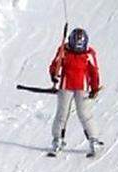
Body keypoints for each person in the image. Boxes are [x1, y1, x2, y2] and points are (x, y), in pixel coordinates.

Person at [48, 27, 104, 157]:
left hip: (82, 88)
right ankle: (57, 140)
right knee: (62, 114)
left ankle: (93, 140)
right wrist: (53, 75)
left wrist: (94, 87)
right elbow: (55, 65)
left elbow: (93, 71)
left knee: (84, 114)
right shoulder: (64, 51)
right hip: (65, 86)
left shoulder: (89, 54)